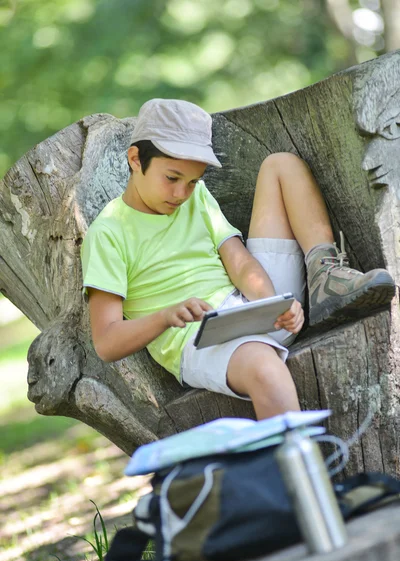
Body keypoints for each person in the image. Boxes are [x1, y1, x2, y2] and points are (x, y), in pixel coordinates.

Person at [80, 99, 395, 420]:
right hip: (198, 341)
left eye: (192, 182)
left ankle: (324, 277)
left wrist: (273, 304)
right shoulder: (109, 233)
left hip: (252, 308)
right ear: (135, 159)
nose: (180, 194)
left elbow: (239, 261)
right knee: (265, 368)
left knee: (281, 164)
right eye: (172, 178)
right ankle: (300, 466)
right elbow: (106, 341)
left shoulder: (196, 198)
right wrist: (166, 316)